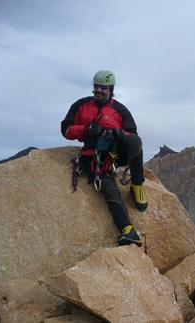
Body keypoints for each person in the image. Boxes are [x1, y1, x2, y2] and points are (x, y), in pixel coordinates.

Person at [61, 70, 147, 247]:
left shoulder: (120, 110)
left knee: (134, 141)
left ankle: (137, 186)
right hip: (94, 157)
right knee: (108, 189)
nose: (99, 90)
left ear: (111, 89)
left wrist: (118, 133)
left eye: (103, 87)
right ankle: (128, 230)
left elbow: (134, 136)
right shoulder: (81, 105)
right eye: (96, 86)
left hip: (115, 153)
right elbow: (66, 130)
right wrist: (87, 129)